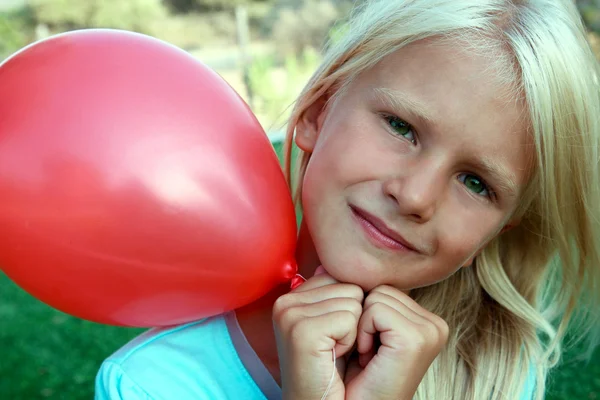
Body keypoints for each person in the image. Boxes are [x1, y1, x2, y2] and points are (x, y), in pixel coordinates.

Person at [95, 0, 600, 399]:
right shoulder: (152, 384)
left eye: (476, 183)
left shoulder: (495, 377)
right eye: (401, 127)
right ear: (318, 110)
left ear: (503, 225)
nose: (415, 196)